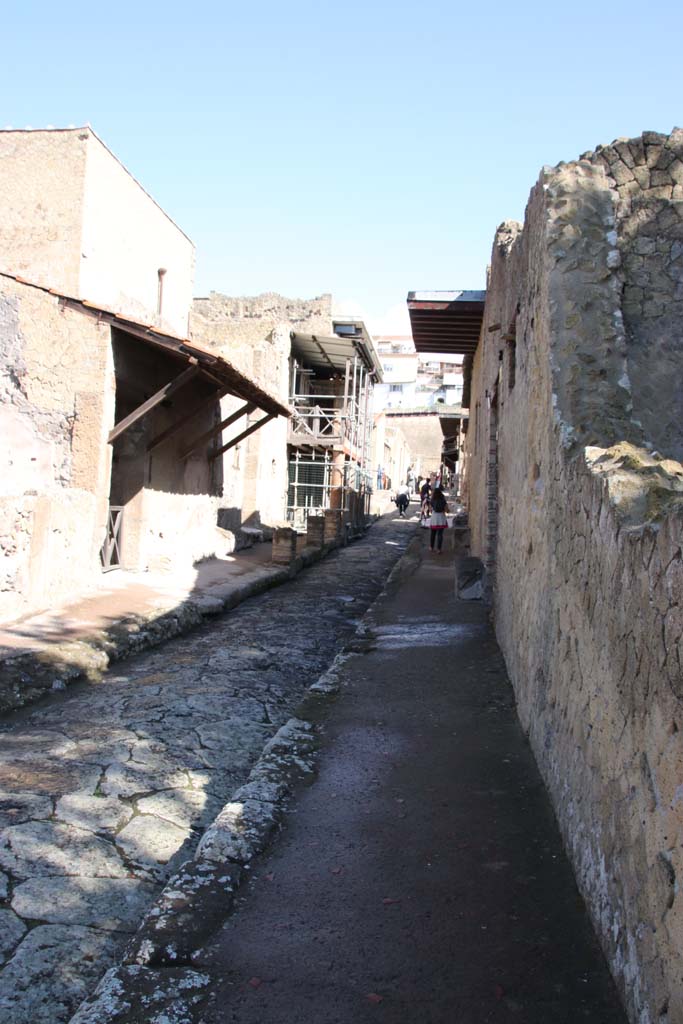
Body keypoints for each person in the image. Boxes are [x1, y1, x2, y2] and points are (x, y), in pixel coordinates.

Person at [429, 486, 449, 552]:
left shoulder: (433, 499)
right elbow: (446, 509)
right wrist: (447, 510)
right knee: (440, 534)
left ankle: (431, 547)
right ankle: (439, 549)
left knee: (433, 533)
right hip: (441, 517)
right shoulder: (443, 500)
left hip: (434, 517)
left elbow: (430, 509)